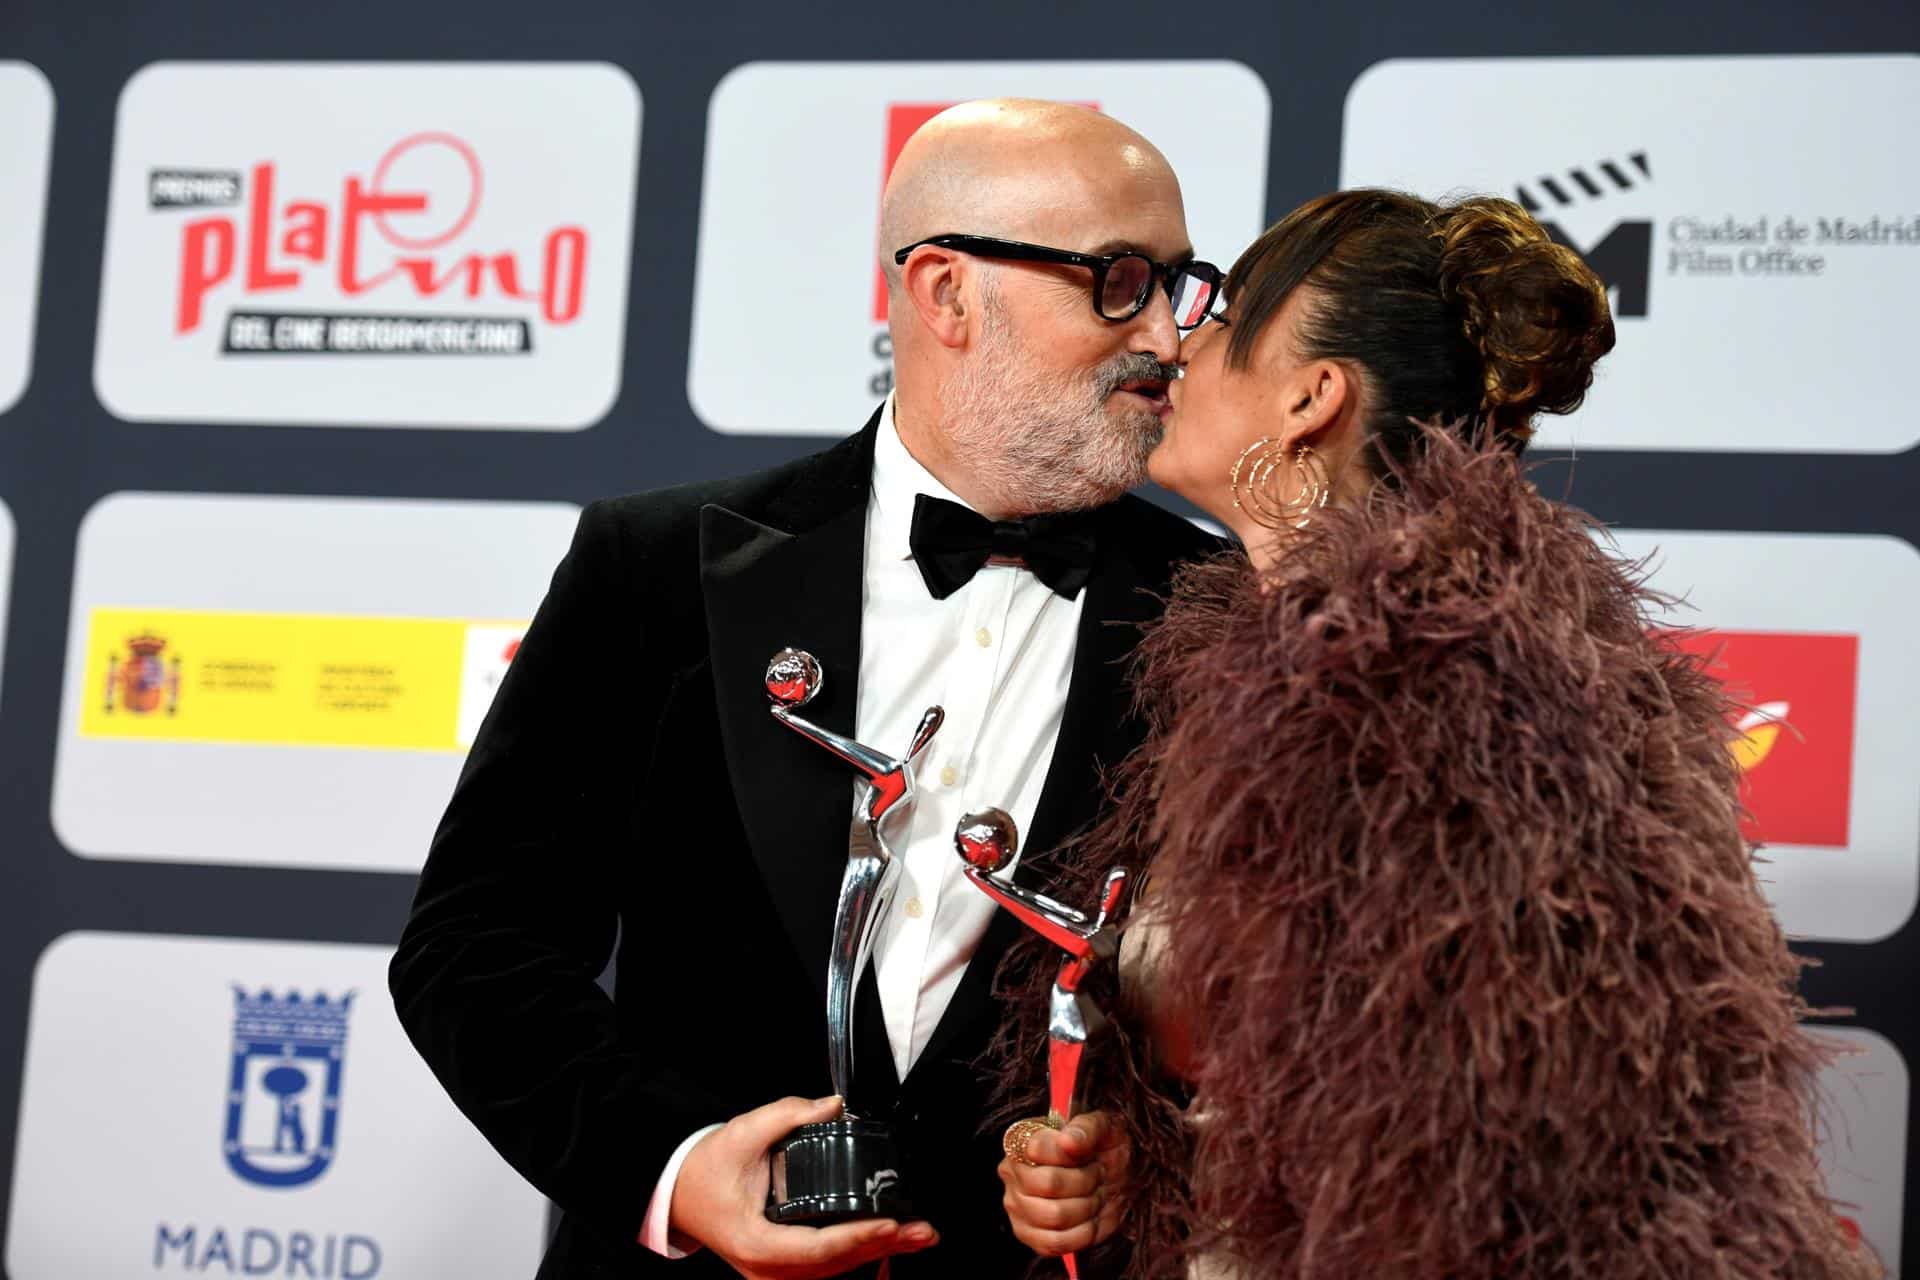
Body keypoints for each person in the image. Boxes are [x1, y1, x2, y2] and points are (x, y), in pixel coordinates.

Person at [389, 98, 1221, 1280]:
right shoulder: (659, 568)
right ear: (945, 294)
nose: (1171, 340)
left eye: (1182, 286)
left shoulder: (1231, 618)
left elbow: (1280, 1035)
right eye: (1121, 279)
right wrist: (675, 1164)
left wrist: (1150, 1151)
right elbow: (475, 946)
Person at [992, 190, 1881, 1279]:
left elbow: (1501, 1153)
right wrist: (1138, 1162)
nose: (1176, 338)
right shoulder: (1276, 678)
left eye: (1220, 319)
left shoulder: (1446, 693)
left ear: (1313, 397)